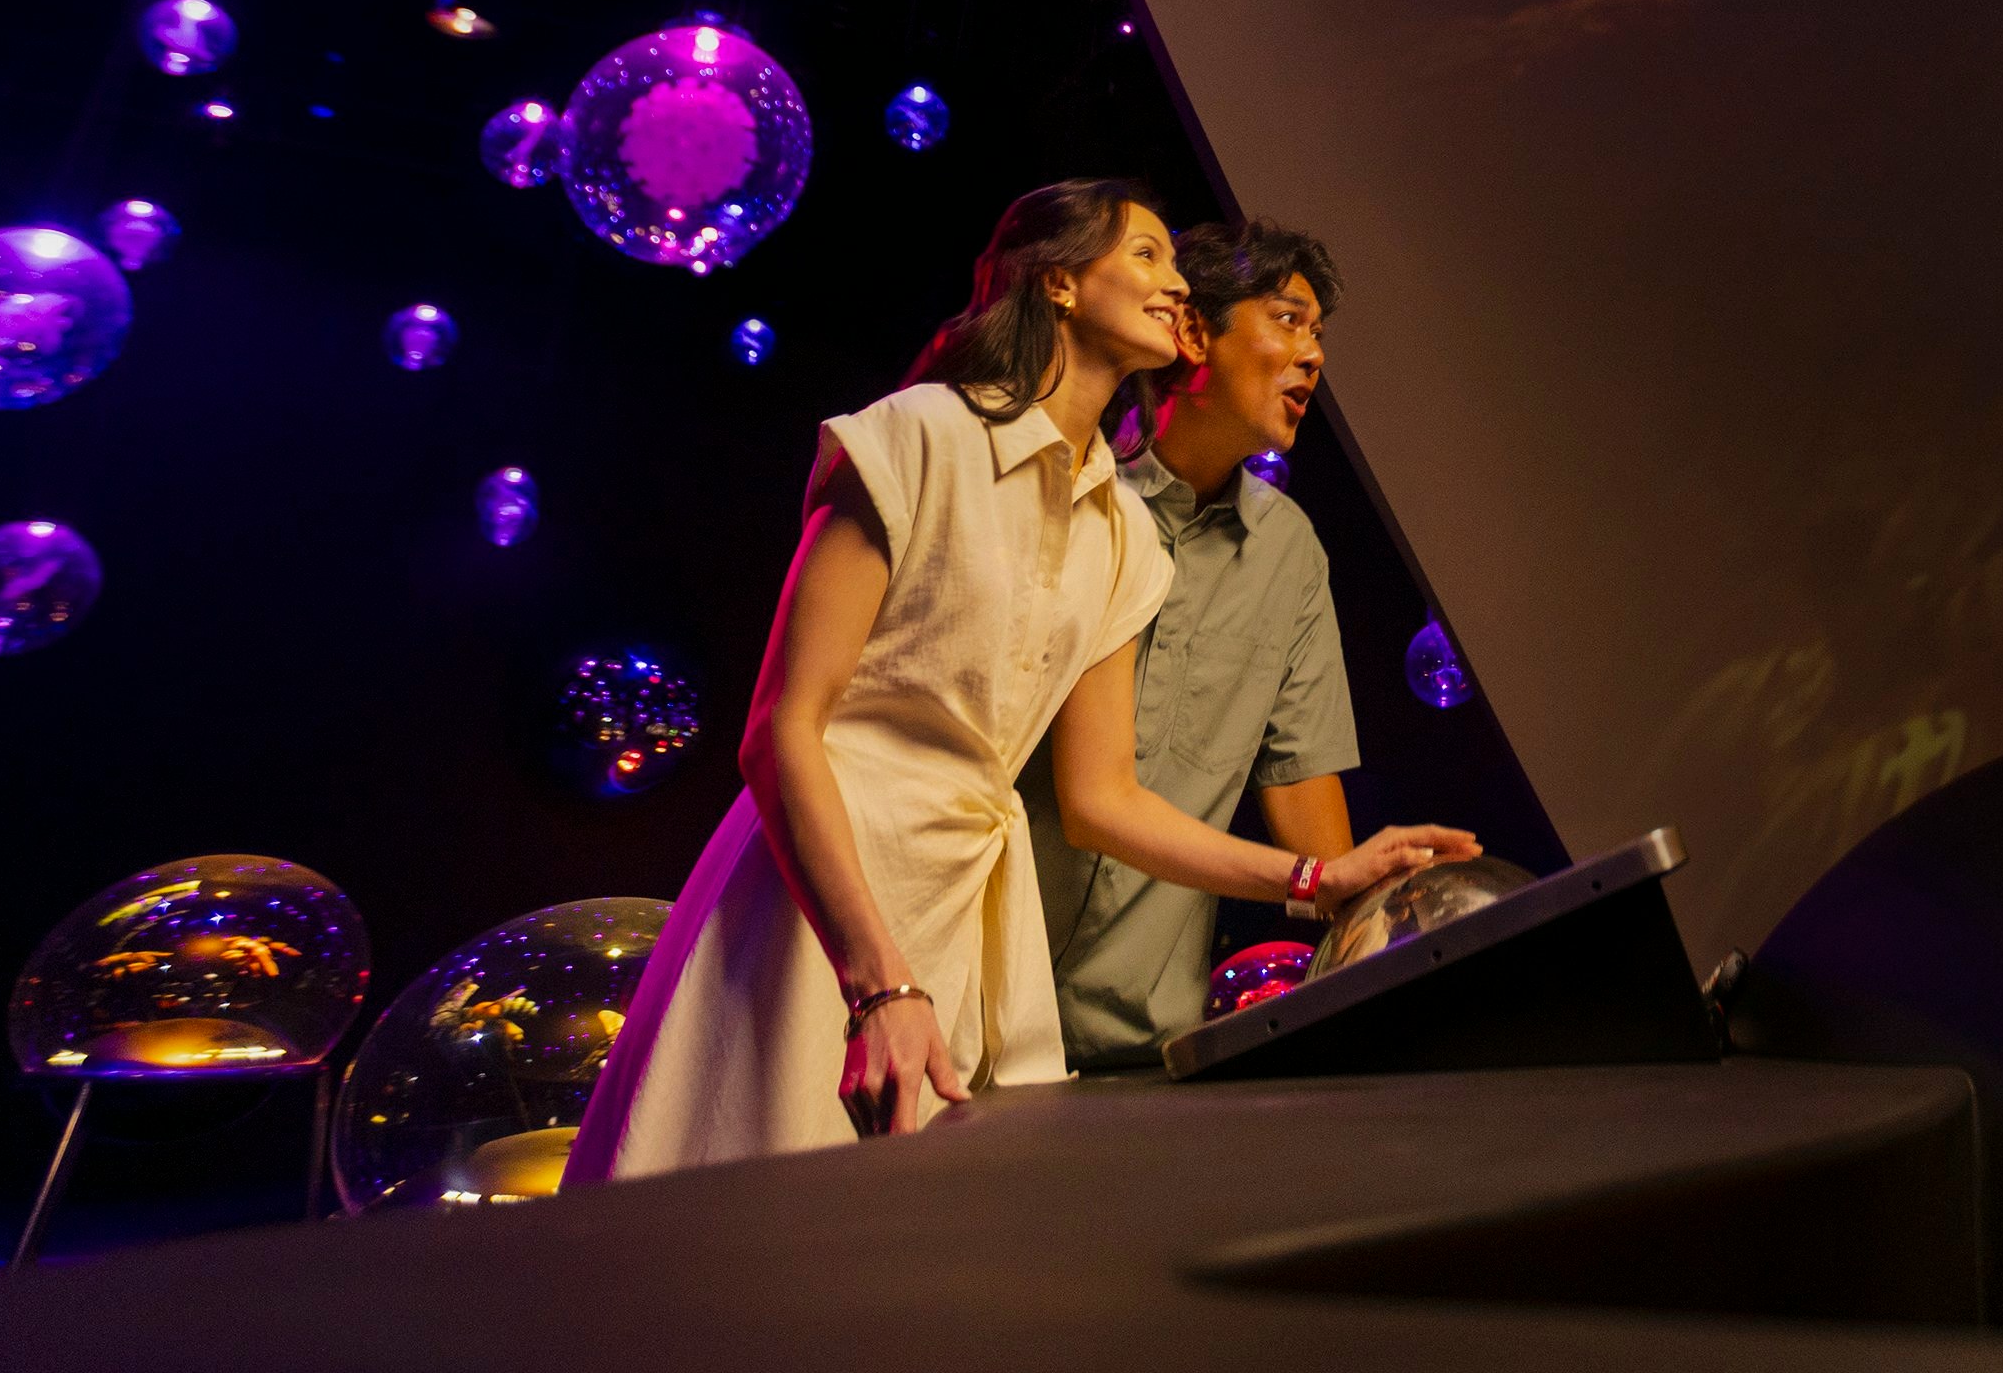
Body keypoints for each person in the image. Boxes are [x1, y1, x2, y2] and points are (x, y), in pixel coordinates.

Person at [565, 181, 1472, 1178]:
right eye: (1147, 256)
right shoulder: (916, 435)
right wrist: (877, 983)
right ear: (1059, 282)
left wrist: (1317, 879)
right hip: (825, 901)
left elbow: (1104, 799)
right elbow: (783, 729)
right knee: (741, 1216)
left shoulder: (1123, 536)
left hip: (970, 920)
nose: (1178, 285)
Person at [1025, 218, 1359, 1065]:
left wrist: (1374, 917)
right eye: (1288, 320)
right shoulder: (1066, 496)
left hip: (1142, 1039)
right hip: (977, 1000)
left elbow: (1304, 790)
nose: (1314, 355)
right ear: (1193, 332)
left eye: (1318, 334)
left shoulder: (1290, 553)